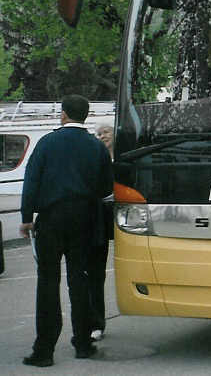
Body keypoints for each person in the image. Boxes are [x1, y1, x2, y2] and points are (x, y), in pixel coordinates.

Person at [20, 95, 114, 367]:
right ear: (84, 116)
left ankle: (44, 349)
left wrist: (27, 217)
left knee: (48, 282)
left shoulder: (46, 143)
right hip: (85, 218)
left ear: (63, 115)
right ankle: (83, 342)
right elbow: (106, 189)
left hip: (51, 219)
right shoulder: (96, 147)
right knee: (80, 280)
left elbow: (32, 179)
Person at [89, 124, 115, 342]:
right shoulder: (94, 157)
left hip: (125, 214)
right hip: (100, 217)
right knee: (95, 272)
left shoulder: (125, 156)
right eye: (98, 134)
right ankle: (96, 323)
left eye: (105, 132)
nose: (102, 136)